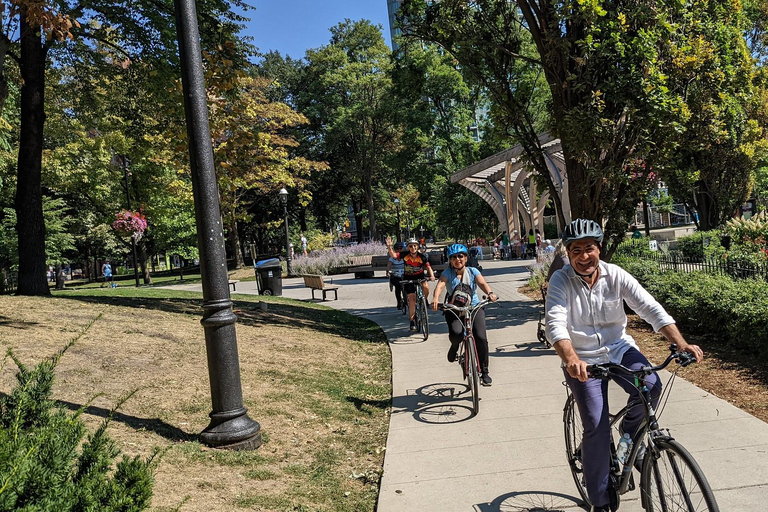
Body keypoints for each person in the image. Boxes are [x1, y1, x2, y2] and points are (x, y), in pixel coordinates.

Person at [545, 219, 703, 512]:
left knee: (652, 385)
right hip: (583, 360)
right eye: (575, 250)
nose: (583, 256)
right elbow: (555, 322)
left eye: (588, 249)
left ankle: (630, 436)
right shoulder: (561, 280)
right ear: (568, 253)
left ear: (599, 249)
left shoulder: (615, 275)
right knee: (596, 424)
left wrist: (680, 342)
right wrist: (571, 359)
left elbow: (649, 307)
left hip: (618, 349)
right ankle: (601, 500)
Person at [431, 243, 498, 385]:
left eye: (460, 256)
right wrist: (436, 298)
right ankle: (455, 346)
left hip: (474, 307)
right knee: (456, 334)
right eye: (453, 257)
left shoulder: (473, 271)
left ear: (466, 258)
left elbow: (483, 284)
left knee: (481, 337)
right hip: (454, 308)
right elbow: (440, 286)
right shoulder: (447, 273)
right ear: (450, 260)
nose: (457, 259)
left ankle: (484, 372)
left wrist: (490, 293)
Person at [386, 236, 435, 331]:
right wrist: (389, 247)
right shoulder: (404, 255)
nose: (413, 248)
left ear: (418, 246)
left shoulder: (422, 256)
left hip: (420, 277)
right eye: (411, 246)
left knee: (426, 287)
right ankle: (412, 320)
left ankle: (424, 301)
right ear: (408, 247)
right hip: (408, 278)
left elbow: (428, 267)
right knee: (412, 299)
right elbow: (394, 256)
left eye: (415, 246)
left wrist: (432, 276)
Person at [387, 242, 405, 310]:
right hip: (396, 275)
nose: (399, 250)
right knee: (398, 286)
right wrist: (388, 271)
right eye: (397, 249)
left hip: (404, 274)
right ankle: (399, 302)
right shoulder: (392, 258)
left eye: (400, 248)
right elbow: (389, 265)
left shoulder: (405, 256)